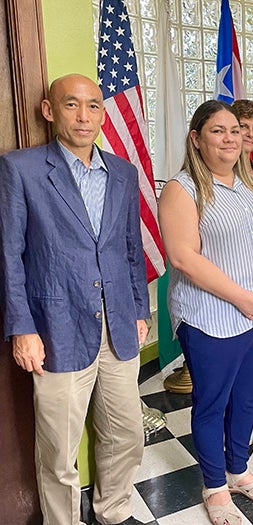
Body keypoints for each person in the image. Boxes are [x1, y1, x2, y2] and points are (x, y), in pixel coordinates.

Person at [0, 73, 149, 525]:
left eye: (93, 106)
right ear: (49, 111)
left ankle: (112, 512)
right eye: (71, 105)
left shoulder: (123, 172)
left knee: (126, 435)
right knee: (59, 450)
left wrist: (141, 309)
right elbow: (8, 254)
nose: (84, 116)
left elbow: (129, 247)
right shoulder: (20, 168)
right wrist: (22, 327)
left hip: (119, 326)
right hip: (55, 330)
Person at [159, 100, 253, 524]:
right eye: (218, 130)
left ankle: (238, 470)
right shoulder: (183, 189)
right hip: (210, 317)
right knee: (213, 403)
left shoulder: (251, 185)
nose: (231, 138)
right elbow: (183, 257)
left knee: (248, 397)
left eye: (236, 130)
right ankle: (214, 485)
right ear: (197, 138)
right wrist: (242, 298)